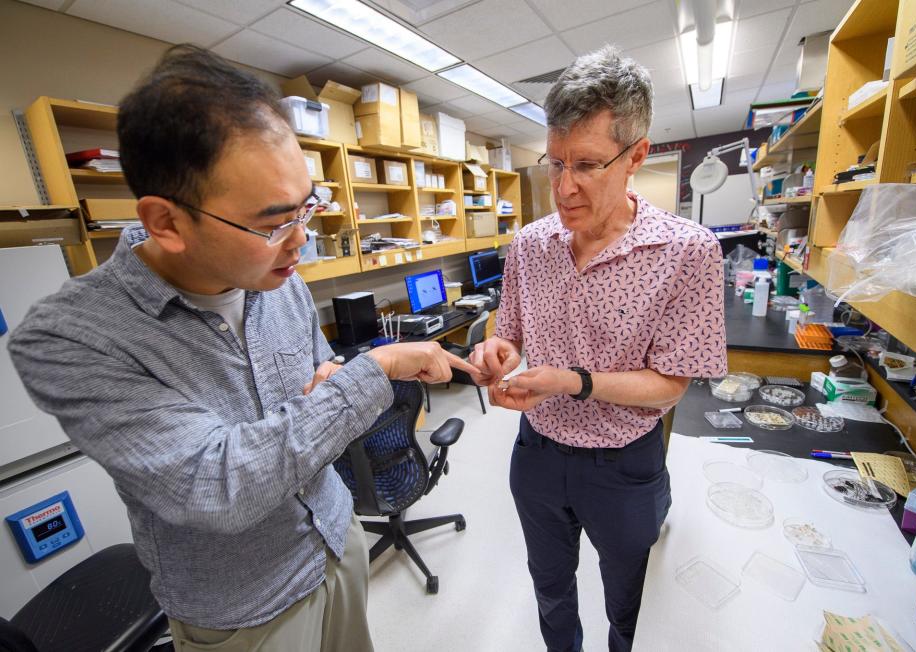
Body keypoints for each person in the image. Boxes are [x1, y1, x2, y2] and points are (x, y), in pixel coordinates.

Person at [8, 45, 476, 652]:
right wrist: (372, 370)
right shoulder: (71, 337)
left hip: (338, 541)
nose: (300, 241)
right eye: (273, 223)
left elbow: (317, 384)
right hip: (245, 608)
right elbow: (219, 486)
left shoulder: (279, 282)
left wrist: (329, 386)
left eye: (308, 206)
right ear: (167, 222)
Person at [469, 46, 727, 652]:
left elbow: (671, 384)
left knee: (630, 605)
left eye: (585, 164)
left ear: (637, 155)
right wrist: (497, 353)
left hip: (623, 466)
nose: (563, 187)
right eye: (554, 163)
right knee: (551, 588)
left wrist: (572, 380)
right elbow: (508, 332)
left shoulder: (687, 252)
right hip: (536, 454)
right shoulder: (530, 244)